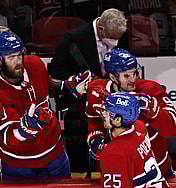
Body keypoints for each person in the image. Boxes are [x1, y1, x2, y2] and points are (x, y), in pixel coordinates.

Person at [0, 32, 89, 180]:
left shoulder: (35, 64)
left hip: (54, 154)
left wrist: (69, 86)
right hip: (18, 164)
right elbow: (8, 136)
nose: (18, 61)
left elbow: (49, 86)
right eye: (11, 57)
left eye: (19, 55)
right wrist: (25, 128)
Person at [47, 8, 128, 173]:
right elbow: (55, 76)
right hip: (80, 112)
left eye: (118, 38)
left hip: (114, 111)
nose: (116, 42)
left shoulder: (118, 33)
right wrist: (68, 102)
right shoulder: (72, 39)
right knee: (79, 165)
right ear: (101, 28)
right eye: (112, 38)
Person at [87, 48, 176, 178]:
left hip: (156, 170)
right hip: (120, 172)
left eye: (135, 73)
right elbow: (94, 123)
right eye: (126, 76)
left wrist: (153, 110)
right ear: (112, 77)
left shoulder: (151, 90)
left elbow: (170, 129)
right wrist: (96, 141)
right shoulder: (97, 91)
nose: (133, 79)